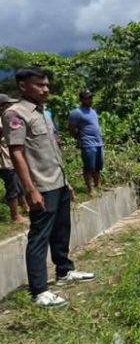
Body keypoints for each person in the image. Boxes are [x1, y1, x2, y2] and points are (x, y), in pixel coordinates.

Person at [3, 67, 95, 308]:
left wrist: (67, 183)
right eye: (40, 85)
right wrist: (30, 189)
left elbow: (51, 150)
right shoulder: (16, 113)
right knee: (39, 236)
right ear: (23, 85)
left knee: (62, 229)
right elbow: (17, 153)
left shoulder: (43, 112)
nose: (46, 89)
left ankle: (64, 271)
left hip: (58, 181)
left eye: (46, 85)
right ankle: (39, 291)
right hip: (41, 185)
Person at [0, 93, 29, 224]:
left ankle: (25, 206)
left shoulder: (5, 119)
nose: (11, 107)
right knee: (12, 187)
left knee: (18, 184)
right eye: (8, 105)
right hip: (5, 161)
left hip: (11, 159)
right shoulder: (3, 121)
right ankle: (15, 216)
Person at [69, 90, 104, 197]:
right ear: (81, 99)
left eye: (90, 98)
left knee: (98, 166)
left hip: (98, 143)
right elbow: (71, 129)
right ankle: (90, 189)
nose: (90, 100)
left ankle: (98, 186)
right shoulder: (76, 113)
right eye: (87, 98)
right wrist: (79, 138)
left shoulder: (93, 111)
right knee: (89, 167)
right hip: (87, 143)